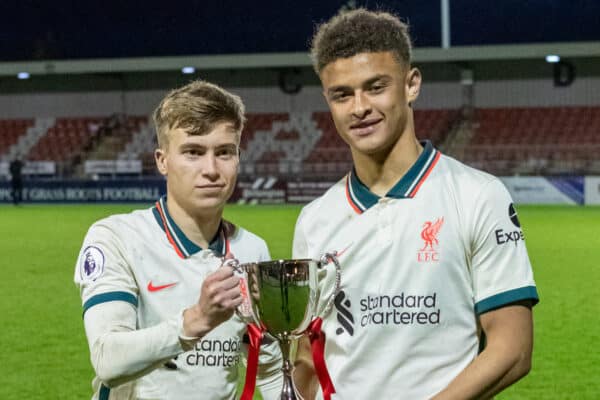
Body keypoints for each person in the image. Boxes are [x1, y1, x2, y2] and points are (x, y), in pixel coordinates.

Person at [292, 8, 539, 400]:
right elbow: (308, 354)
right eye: (342, 94)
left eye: (375, 87)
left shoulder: (477, 195)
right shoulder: (314, 219)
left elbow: (513, 348)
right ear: (328, 99)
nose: (359, 107)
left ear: (411, 84)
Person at [74, 80, 282, 399]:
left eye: (224, 152)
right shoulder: (115, 237)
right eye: (193, 152)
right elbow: (107, 361)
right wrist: (196, 319)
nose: (211, 169)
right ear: (162, 160)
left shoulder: (252, 249)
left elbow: (268, 366)